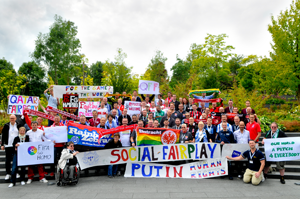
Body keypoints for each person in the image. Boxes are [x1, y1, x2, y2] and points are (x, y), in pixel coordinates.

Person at [1, 114, 23, 180]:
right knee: (8, 160)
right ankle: (8, 173)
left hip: (16, 145)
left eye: (13, 118)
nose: (12, 119)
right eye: (11, 118)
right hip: (8, 145)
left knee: (16, 159)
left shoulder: (18, 125)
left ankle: (16, 172)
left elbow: (21, 133)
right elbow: (3, 135)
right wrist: (2, 144)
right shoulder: (6, 125)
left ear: (16, 118)